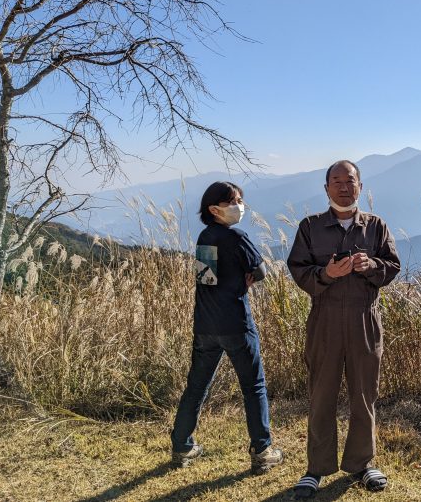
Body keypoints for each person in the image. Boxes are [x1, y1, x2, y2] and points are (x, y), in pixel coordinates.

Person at [287, 160, 401, 499]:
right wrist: (327, 274)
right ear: (326, 189)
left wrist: (372, 265)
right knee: (321, 394)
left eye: (350, 180)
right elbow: (298, 271)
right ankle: (316, 469)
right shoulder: (310, 227)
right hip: (324, 320)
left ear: (360, 186)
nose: (343, 187)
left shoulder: (376, 226)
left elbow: (393, 266)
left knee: (364, 394)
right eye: (336, 181)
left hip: (365, 319)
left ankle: (362, 464)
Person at [170, 181, 284, 473]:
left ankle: (182, 446)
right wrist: (247, 276)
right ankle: (262, 450)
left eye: (239, 200)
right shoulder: (236, 237)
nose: (239, 206)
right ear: (213, 208)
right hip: (236, 323)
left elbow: (207, 279)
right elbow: (260, 270)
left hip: (206, 324)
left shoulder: (205, 237)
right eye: (232, 201)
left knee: (197, 386)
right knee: (253, 386)